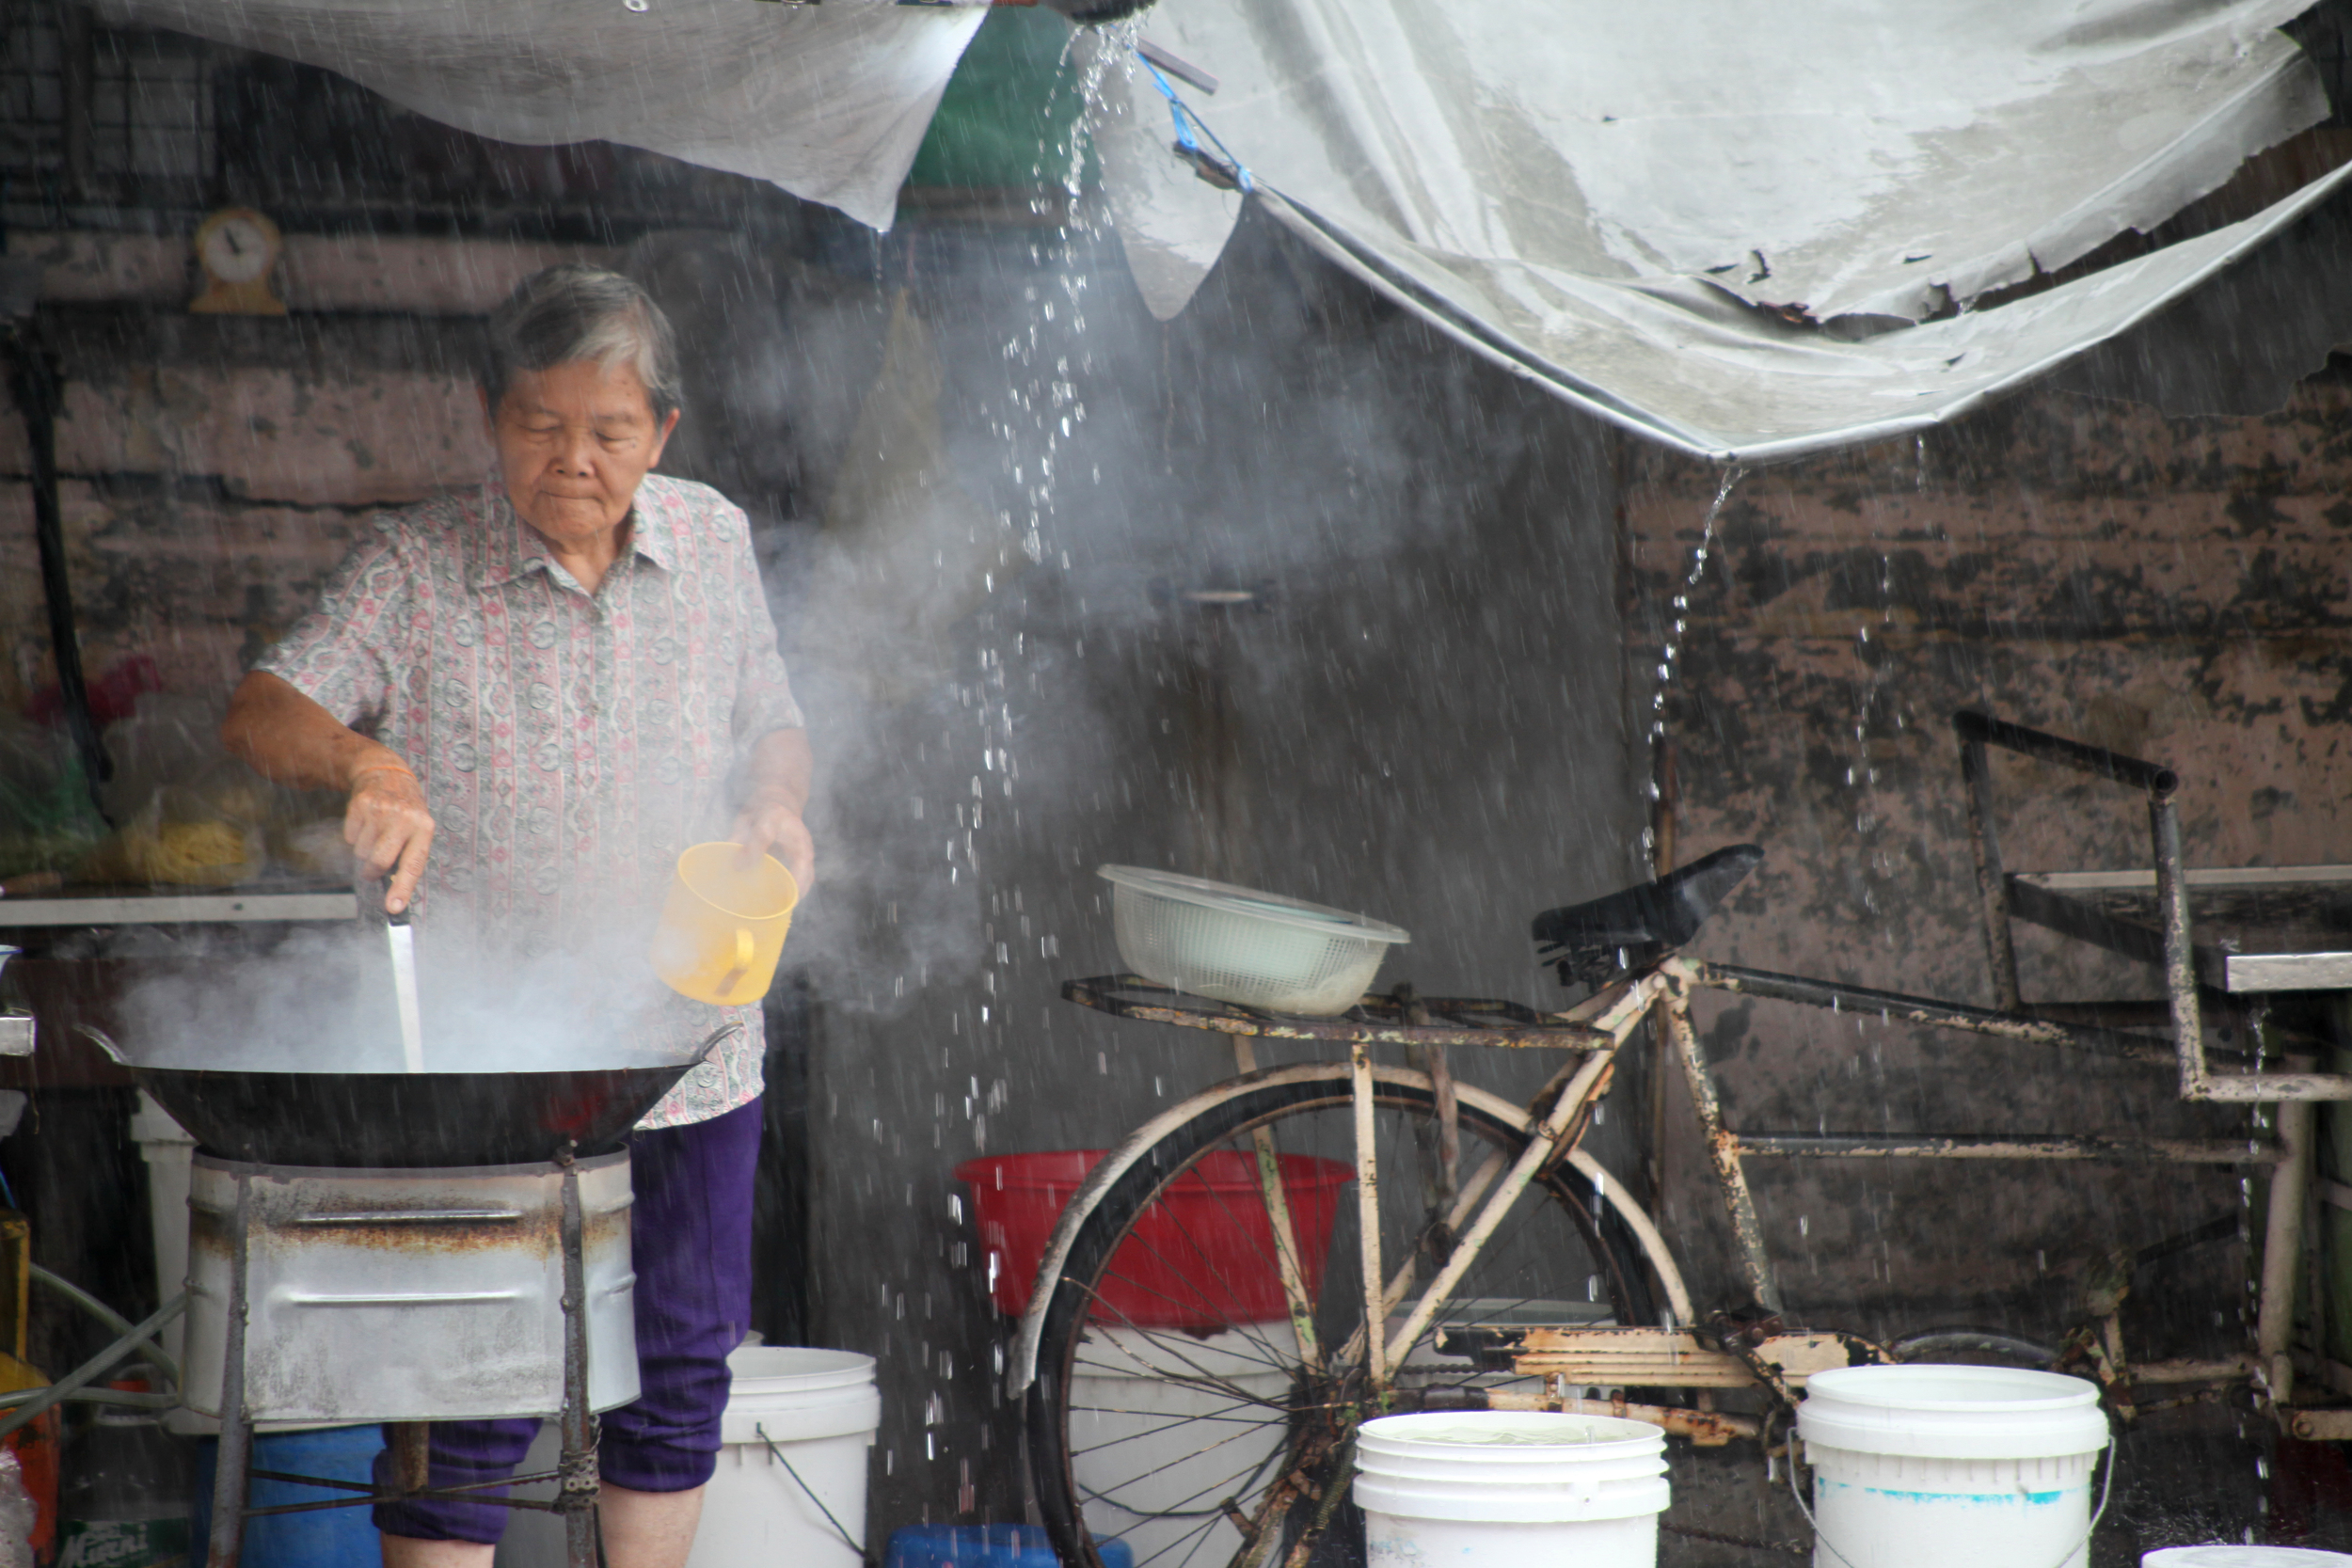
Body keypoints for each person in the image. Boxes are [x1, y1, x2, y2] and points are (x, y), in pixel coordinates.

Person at [220, 263, 814, 1568]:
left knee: (679, 1364)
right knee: (461, 1385)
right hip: (491, 1055)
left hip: (688, 1045)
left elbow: (770, 712)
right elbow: (263, 705)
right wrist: (367, 763)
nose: (573, 460)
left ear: (662, 434)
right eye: (540, 425)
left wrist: (778, 808)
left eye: (608, 432)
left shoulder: (711, 541)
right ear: (491, 417)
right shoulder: (418, 567)